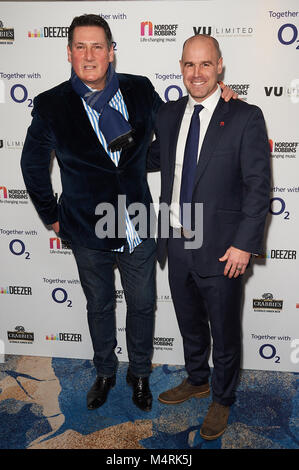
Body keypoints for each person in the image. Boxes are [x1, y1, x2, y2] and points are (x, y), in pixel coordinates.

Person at [21, 14, 235, 413]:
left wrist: (217, 100)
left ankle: (139, 374)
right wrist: (52, 215)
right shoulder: (52, 104)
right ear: (69, 53)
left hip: (137, 221)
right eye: (80, 47)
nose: (89, 55)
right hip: (87, 227)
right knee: (99, 305)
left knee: (141, 305)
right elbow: (32, 165)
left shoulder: (139, 90)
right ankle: (105, 371)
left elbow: (177, 126)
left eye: (97, 46)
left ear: (111, 51)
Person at [148, 34, 270, 438]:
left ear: (219, 66)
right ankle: (197, 377)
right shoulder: (166, 115)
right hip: (177, 239)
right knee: (189, 321)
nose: (196, 73)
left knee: (224, 327)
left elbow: (258, 187)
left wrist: (244, 244)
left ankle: (222, 397)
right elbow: (139, 155)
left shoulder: (245, 117)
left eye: (205, 64)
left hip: (222, 247)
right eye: (188, 64)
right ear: (180, 68)